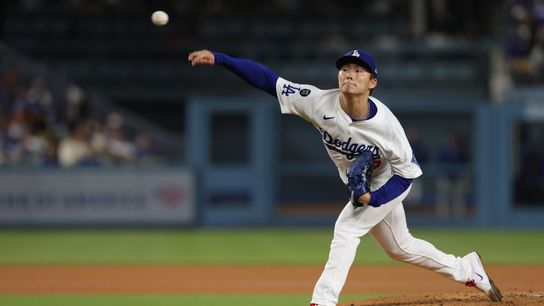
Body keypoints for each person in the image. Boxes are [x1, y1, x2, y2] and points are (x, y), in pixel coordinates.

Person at [188, 49, 502, 305]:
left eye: (358, 70)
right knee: (400, 248)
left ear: (372, 82)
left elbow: (407, 176)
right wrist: (223, 60)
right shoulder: (318, 101)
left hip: (389, 181)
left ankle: (323, 301)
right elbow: (270, 81)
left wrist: (372, 198)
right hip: (364, 184)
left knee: (347, 228)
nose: (349, 74)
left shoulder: (387, 127)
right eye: (345, 69)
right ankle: (467, 268)